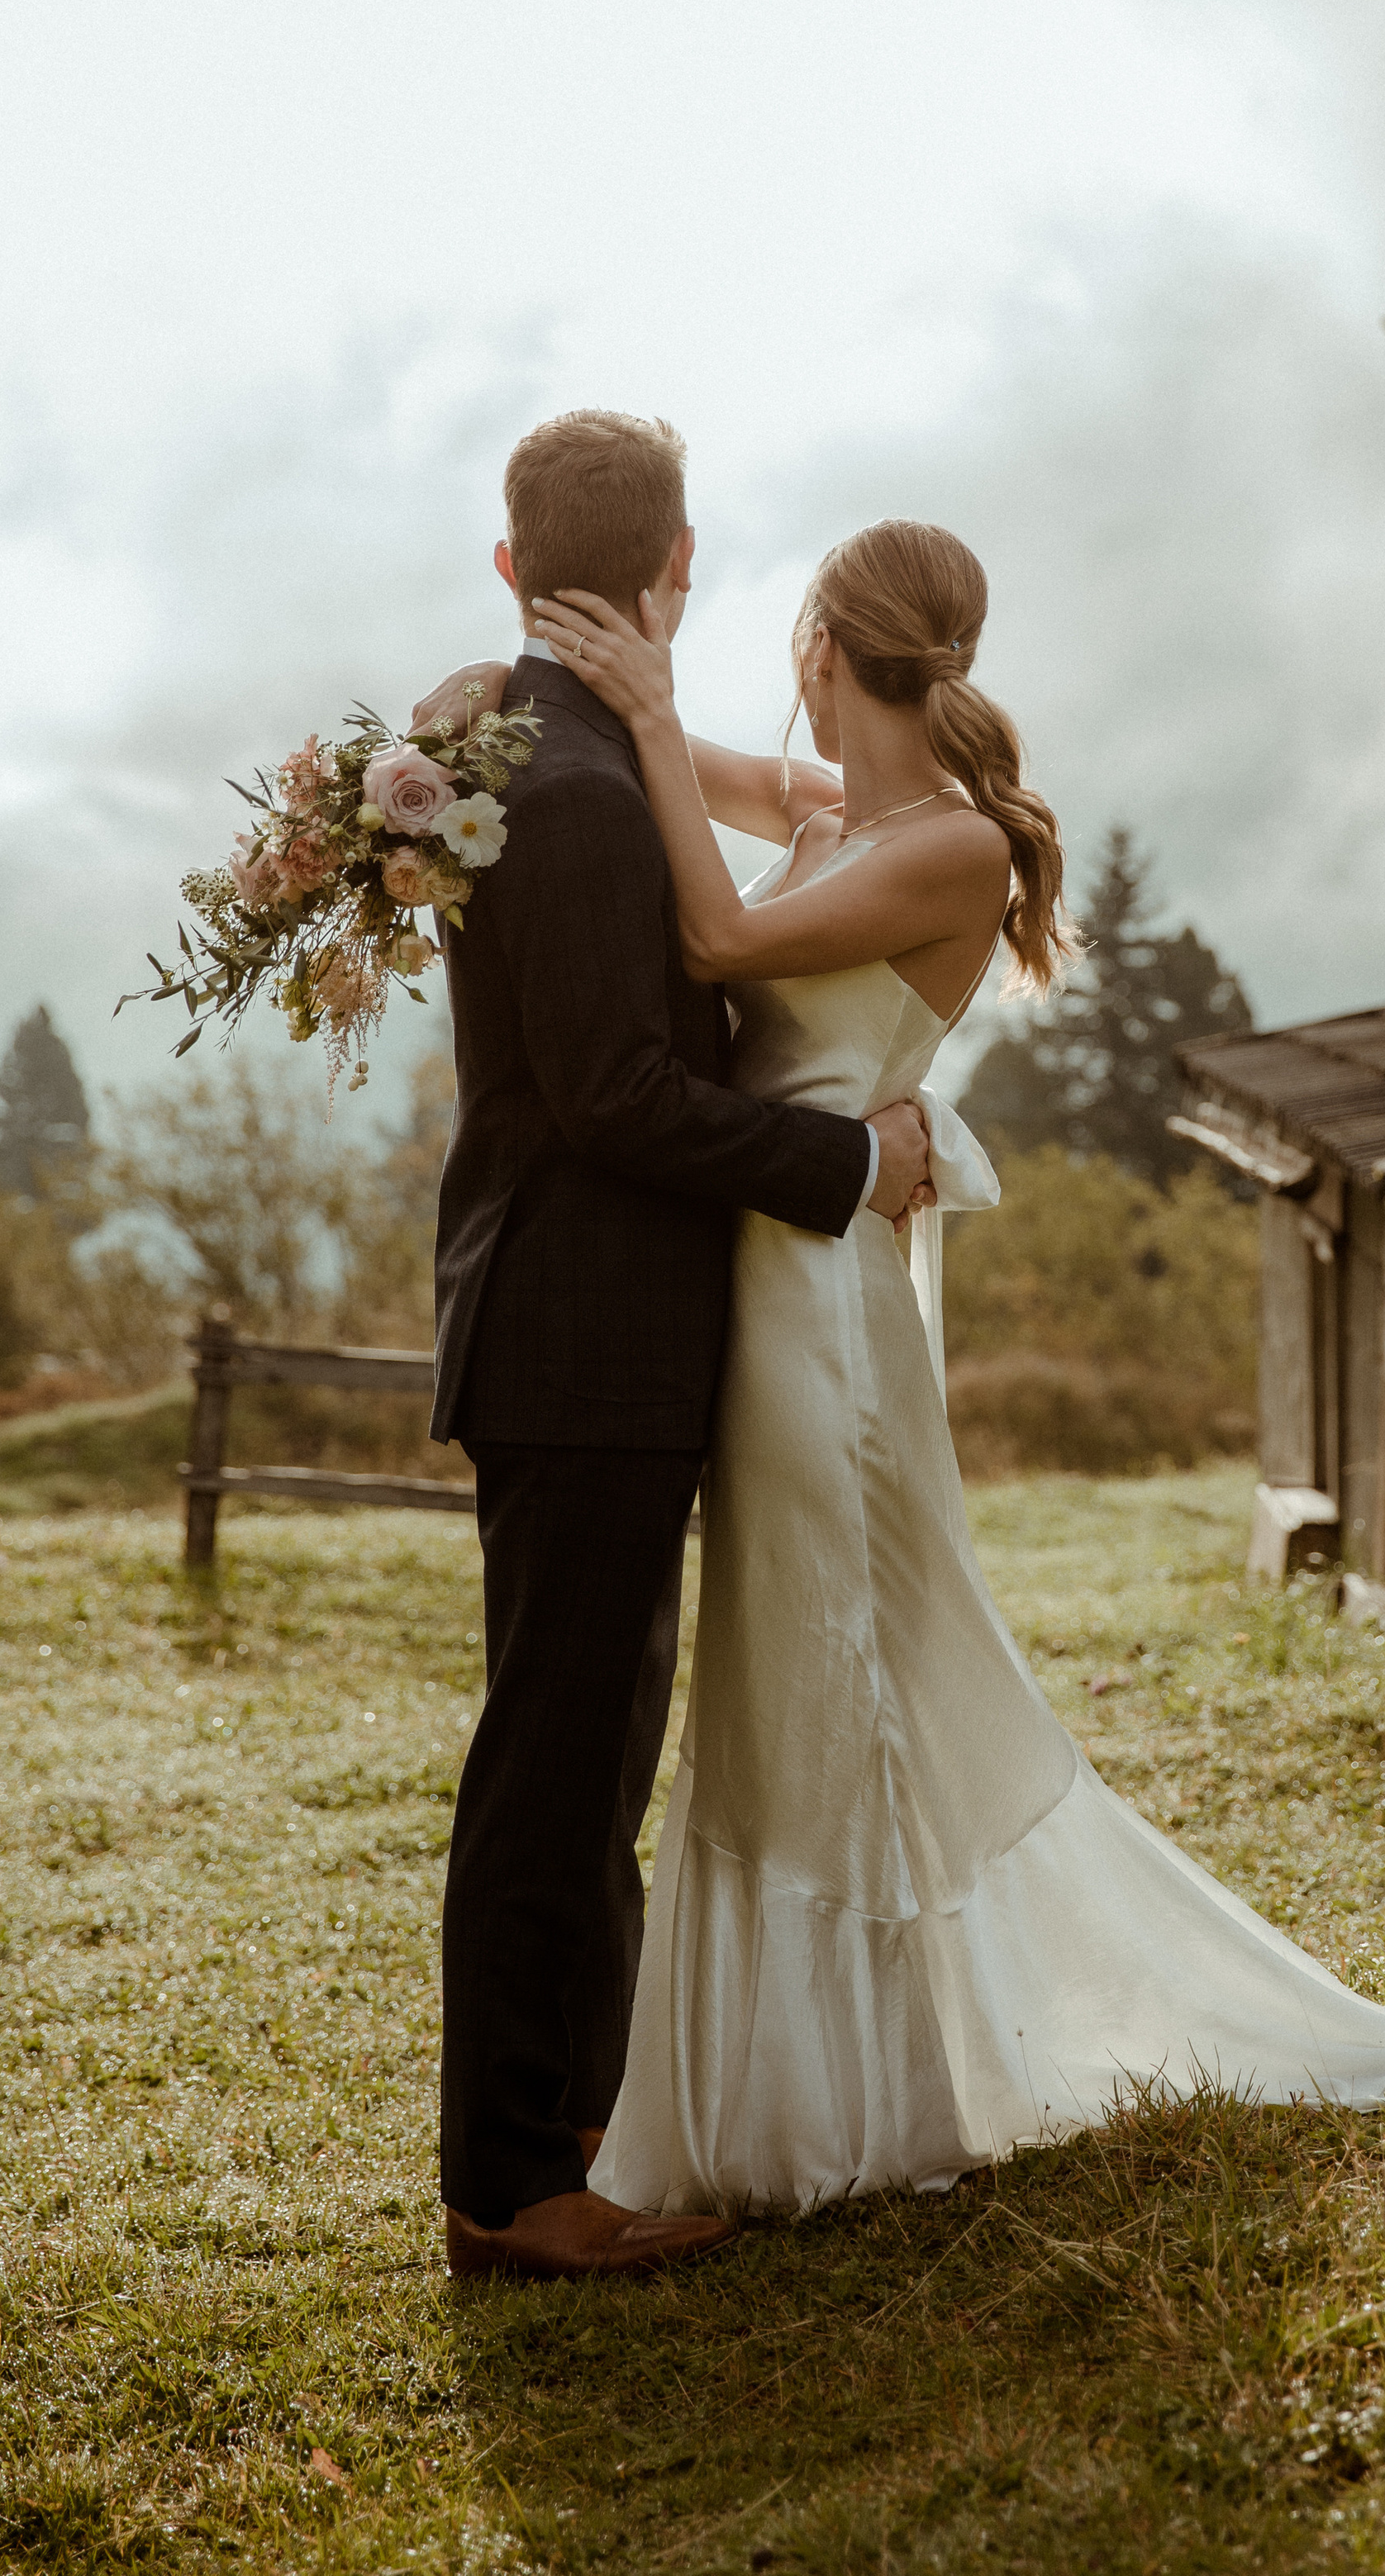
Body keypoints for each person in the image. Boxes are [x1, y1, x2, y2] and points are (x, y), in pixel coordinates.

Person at [493, 511, 1385, 2220]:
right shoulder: (844, 812)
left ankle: (847, 2110)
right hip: (772, 1281)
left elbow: (709, 946)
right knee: (789, 1671)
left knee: (834, 1659)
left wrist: (631, 713)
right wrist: (559, 699)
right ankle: (819, 2089)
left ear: (818, 651)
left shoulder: (948, 851)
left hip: (826, 1320)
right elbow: (690, 782)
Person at [421, 411, 935, 2282]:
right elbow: (620, 1093)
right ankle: (508, 2182)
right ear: (677, 569)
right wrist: (844, 1161)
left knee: (590, 1751)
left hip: (603, 1335)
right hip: (578, 1339)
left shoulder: (518, 732)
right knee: (555, 1766)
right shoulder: (555, 789)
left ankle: (567, 2117)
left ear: (510, 566)